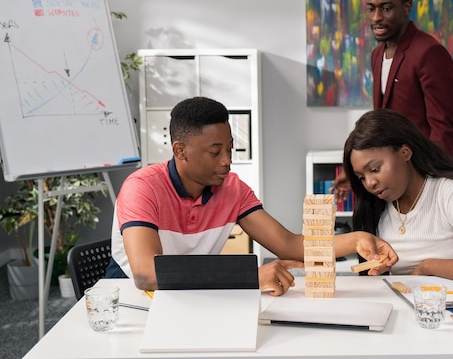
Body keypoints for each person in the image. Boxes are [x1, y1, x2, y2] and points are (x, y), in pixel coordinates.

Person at [105, 97, 397, 295]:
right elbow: (147, 274)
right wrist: (248, 276)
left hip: (192, 296)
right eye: (215, 151)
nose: (226, 161)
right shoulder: (142, 187)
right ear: (180, 150)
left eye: (230, 149)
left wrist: (357, 239)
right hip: (130, 301)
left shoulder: (231, 188)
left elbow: (287, 244)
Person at [341, 108, 453, 288]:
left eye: (374, 169)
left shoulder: (452, 194)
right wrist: (359, 242)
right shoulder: (376, 206)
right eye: (361, 177)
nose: (369, 183)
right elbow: (314, 249)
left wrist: (428, 268)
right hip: (404, 307)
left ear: (405, 153)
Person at [332, 0, 453, 200]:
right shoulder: (377, 55)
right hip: (397, 178)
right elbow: (381, 126)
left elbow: (442, 130)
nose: (377, 17)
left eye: (386, 8)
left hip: (428, 178)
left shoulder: (429, 53)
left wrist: (434, 188)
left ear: (406, 7)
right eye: (371, 8)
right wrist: (357, 173)